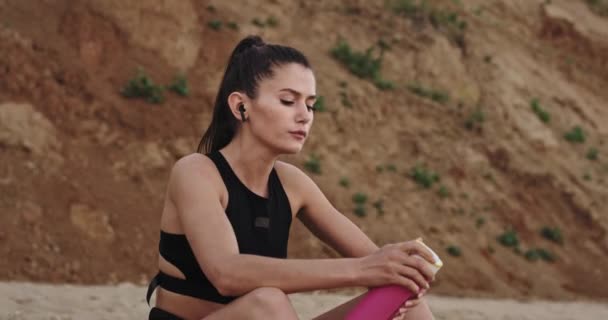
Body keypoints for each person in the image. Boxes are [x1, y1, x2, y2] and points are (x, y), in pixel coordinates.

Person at [146, 35, 436, 320]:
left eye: (310, 105)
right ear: (240, 106)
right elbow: (226, 273)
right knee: (267, 302)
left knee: (405, 297)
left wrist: (400, 268)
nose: (305, 116)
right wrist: (363, 269)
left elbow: (375, 263)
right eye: (288, 101)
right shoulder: (197, 172)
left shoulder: (292, 184)